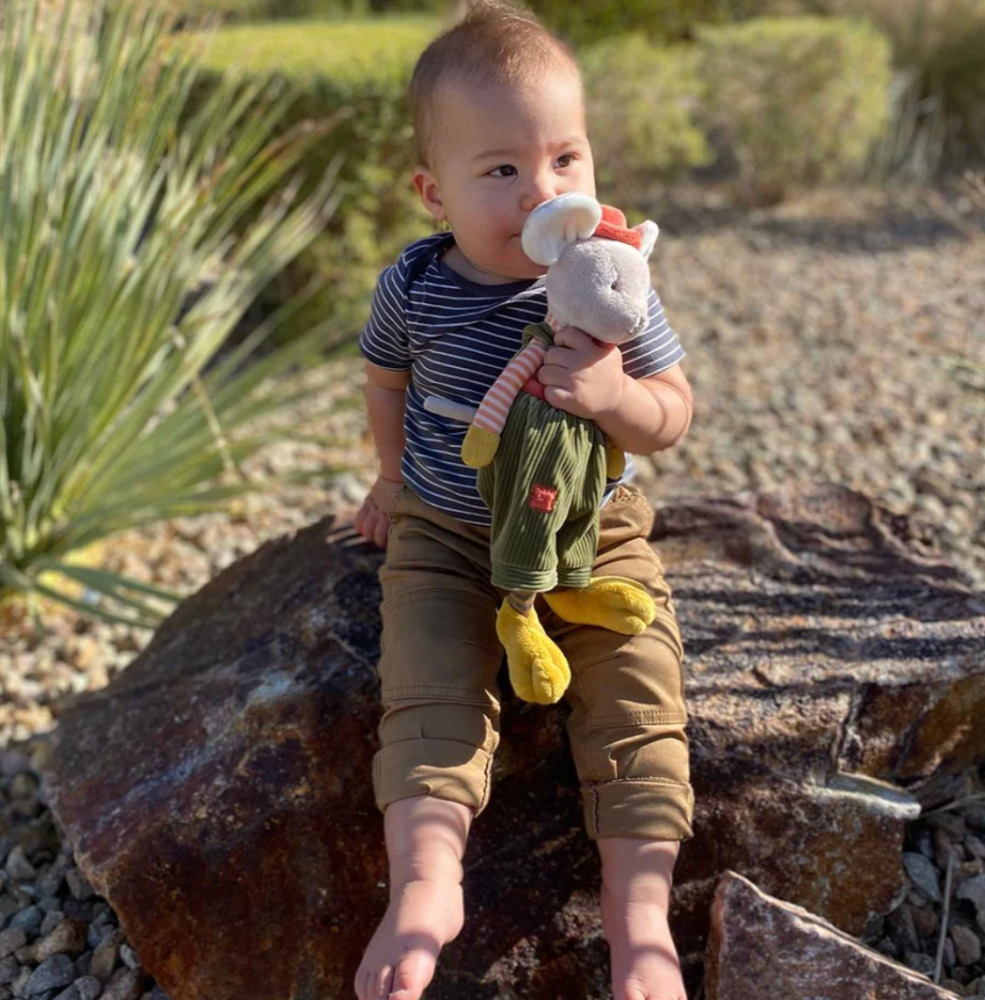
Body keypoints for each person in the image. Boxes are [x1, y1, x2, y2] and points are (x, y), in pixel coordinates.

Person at [352, 4, 694, 999]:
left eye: (565, 159)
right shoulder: (415, 285)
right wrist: (390, 480)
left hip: (591, 531)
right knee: (426, 680)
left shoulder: (612, 279)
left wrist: (616, 396)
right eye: (501, 170)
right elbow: (385, 381)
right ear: (434, 192)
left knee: (638, 683)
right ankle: (426, 883)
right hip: (449, 532)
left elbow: (672, 413)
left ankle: (639, 917)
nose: (543, 192)